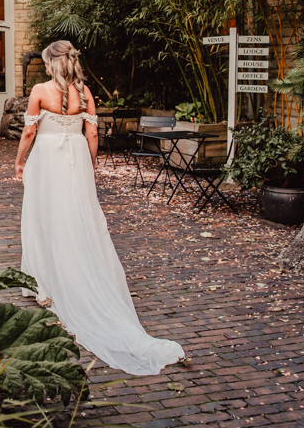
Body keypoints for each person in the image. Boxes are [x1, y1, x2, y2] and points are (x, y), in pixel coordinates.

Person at [14, 40, 184, 376]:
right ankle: (67, 273)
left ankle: (44, 286)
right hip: (76, 156)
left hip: (47, 158)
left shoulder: (39, 90)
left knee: (43, 218)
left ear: (51, 63)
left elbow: (29, 132)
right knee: (78, 218)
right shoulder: (86, 92)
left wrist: (19, 163)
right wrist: (90, 165)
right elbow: (92, 135)